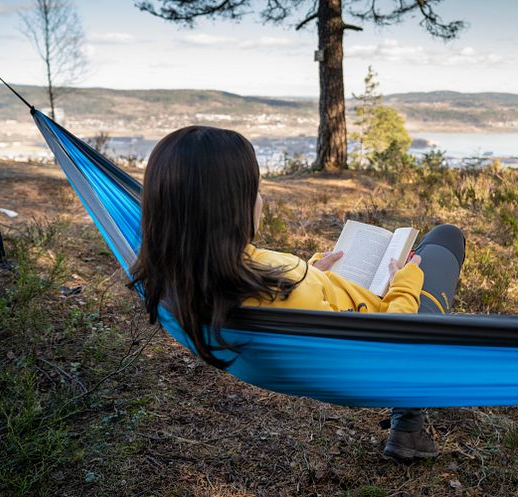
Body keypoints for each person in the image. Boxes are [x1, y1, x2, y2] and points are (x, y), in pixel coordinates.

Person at [129, 126, 466, 461]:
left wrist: (314, 274)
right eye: (255, 190)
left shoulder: (170, 273)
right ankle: (408, 421)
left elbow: (287, 296)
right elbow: (391, 343)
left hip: (328, 313)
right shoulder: (286, 287)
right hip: (377, 357)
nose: (260, 199)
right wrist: (404, 282)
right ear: (230, 208)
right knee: (445, 238)